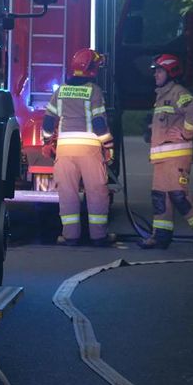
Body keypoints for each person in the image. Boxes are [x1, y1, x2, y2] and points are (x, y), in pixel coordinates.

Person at [138, 53, 193, 250]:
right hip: (162, 158)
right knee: (160, 197)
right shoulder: (162, 96)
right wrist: (152, 130)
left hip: (176, 157)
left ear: (170, 72)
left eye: (159, 71)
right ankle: (161, 236)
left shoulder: (178, 92)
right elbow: (167, 120)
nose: (155, 75)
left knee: (179, 195)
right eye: (155, 71)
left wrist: (185, 133)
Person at [41, 48, 115, 247]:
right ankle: (98, 236)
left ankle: (70, 236)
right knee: (96, 192)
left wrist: (47, 142)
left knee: (68, 193)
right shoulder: (94, 91)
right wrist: (108, 145)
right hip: (89, 150)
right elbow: (99, 124)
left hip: (65, 151)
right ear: (91, 70)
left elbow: (48, 122)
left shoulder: (61, 90)